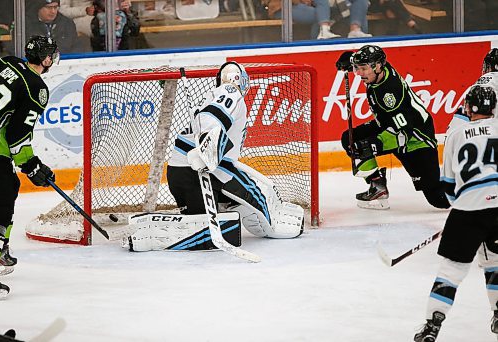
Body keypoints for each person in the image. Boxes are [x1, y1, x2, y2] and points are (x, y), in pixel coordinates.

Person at [125, 62, 304, 252]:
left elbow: (208, 120)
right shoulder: (230, 92)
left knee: (202, 222)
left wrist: (206, 148)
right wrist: (208, 148)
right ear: (243, 81)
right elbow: (213, 118)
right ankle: (266, 218)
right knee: (256, 194)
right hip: (209, 172)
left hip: (179, 174)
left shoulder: (210, 97)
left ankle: (160, 232)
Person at [413, 85, 498, 341]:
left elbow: (449, 189)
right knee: (495, 264)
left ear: (468, 107)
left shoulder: (456, 134)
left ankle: (432, 326)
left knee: (451, 271)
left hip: (467, 212)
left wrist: (465, 208)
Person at [335, 45, 450, 210]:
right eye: (356, 68)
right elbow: (365, 58)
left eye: (363, 69)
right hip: (390, 125)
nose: (359, 73)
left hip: (416, 139)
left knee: (438, 199)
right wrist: (350, 58)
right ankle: (377, 186)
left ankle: (479, 190)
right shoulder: (378, 69)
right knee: (351, 139)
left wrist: (374, 144)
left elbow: (404, 132)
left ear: (378, 66)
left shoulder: (389, 93)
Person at [0, 35, 58, 298]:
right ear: (46, 59)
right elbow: (17, 135)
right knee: (5, 191)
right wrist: (32, 166)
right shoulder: (37, 88)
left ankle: (1, 250)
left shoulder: (7, 62)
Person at [262, 0, 341, 39]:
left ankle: (324, 32)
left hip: (298, 6)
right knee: (320, 15)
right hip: (280, 7)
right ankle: (320, 38)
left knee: (323, 9)